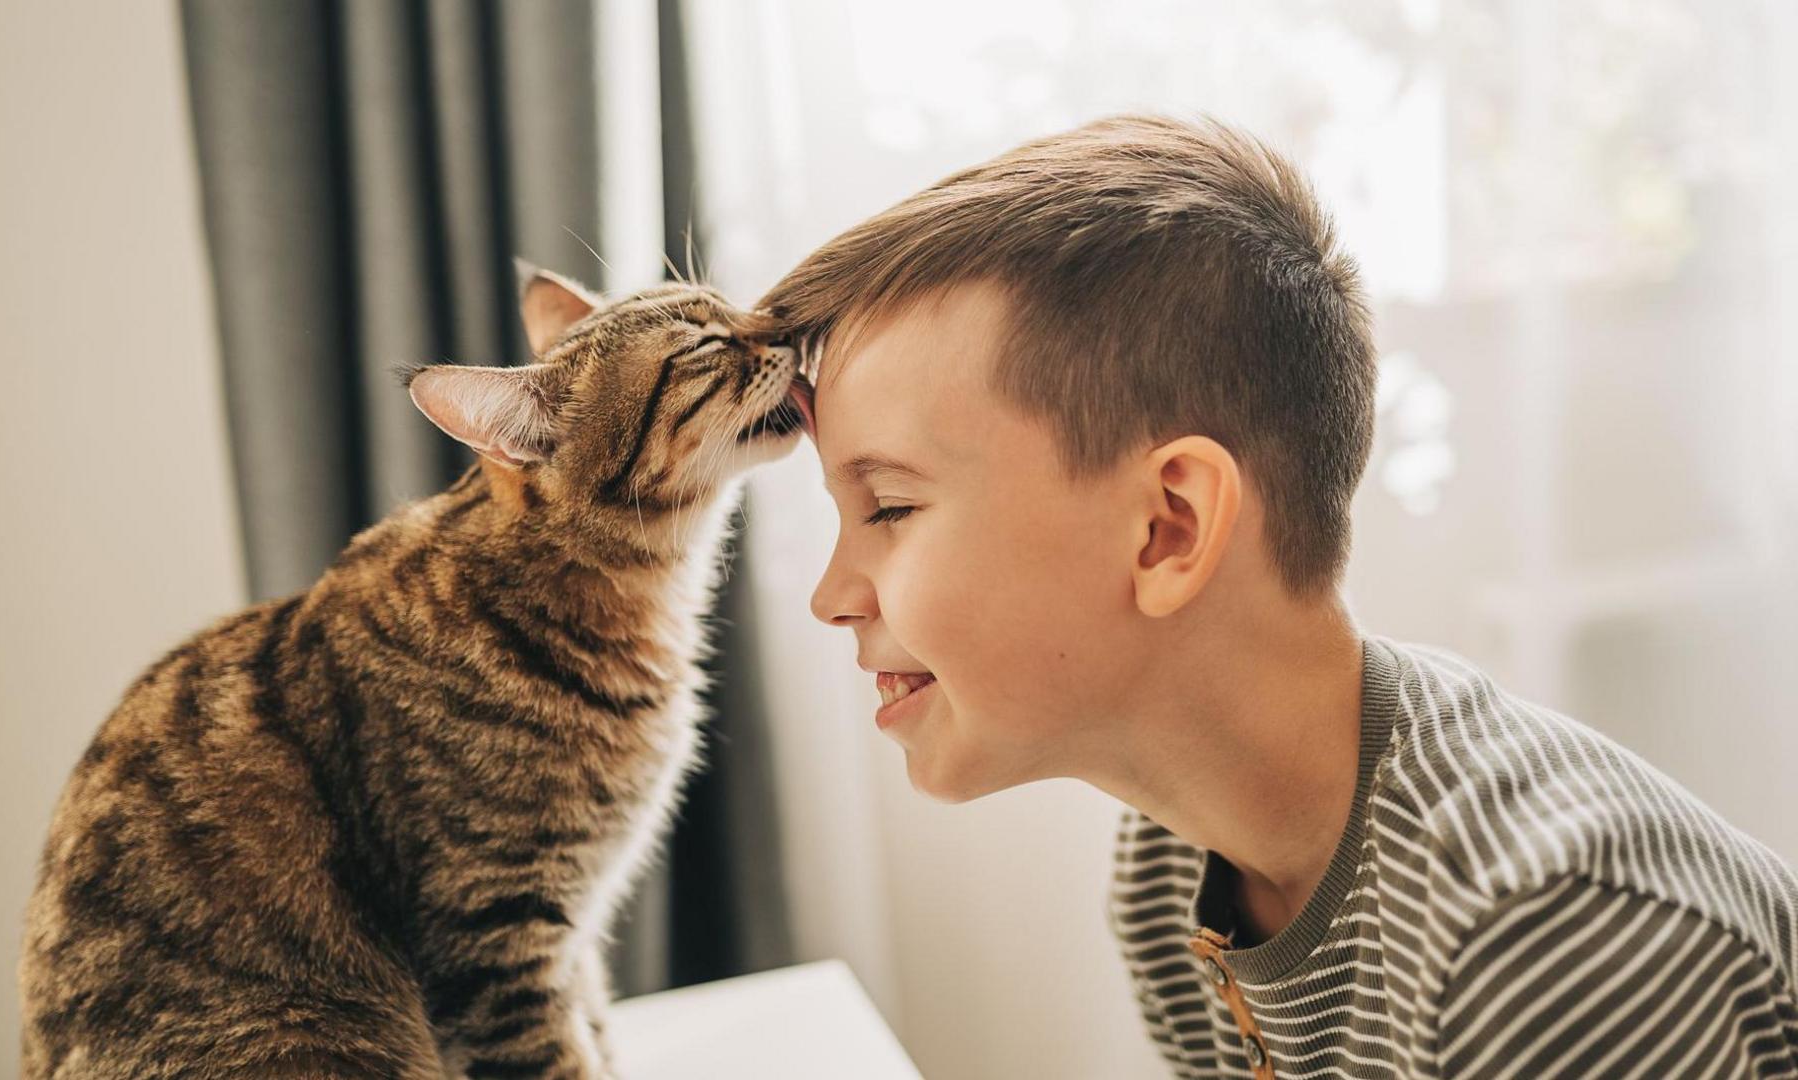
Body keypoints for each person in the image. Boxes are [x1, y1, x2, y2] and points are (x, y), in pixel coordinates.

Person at [759, 114, 1798, 1078]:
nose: (832, 596)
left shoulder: (1544, 939)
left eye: (889, 507)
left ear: (1168, 528)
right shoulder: (1178, 867)